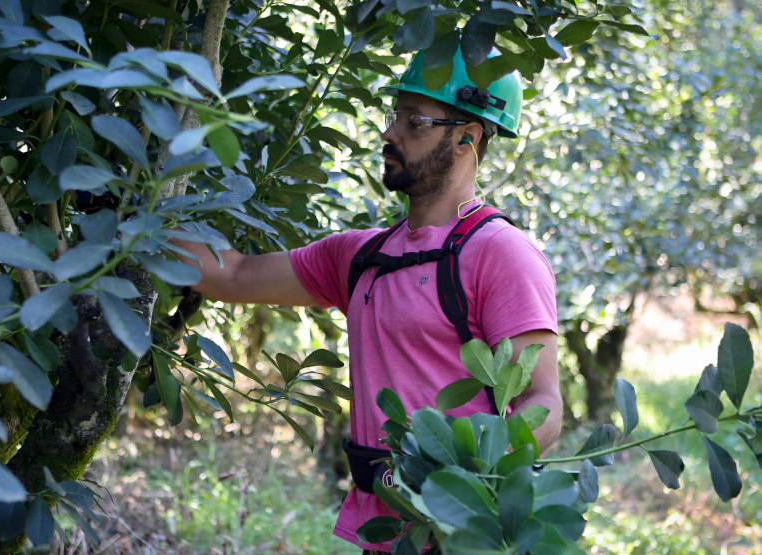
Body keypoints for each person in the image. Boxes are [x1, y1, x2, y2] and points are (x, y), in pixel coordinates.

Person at [172, 45, 562, 554]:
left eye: (414, 121)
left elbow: (542, 401)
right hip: (385, 534)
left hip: (468, 532)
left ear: (466, 138)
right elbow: (236, 275)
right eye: (394, 115)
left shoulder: (500, 254)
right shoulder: (361, 257)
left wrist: (459, 487)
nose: (390, 133)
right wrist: (126, 220)